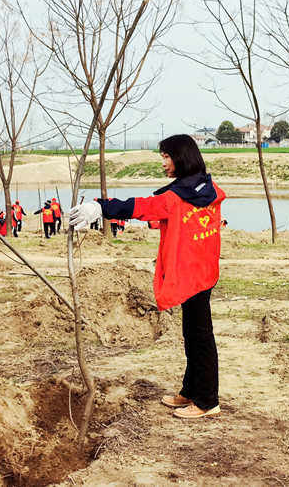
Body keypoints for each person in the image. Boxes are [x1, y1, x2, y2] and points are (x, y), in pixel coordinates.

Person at [67, 135, 226, 419]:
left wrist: (101, 207)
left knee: (201, 337)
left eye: (166, 157)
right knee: (193, 334)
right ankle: (191, 390)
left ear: (182, 157)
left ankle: (207, 401)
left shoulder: (176, 197)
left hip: (191, 274)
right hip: (203, 270)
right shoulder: (208, 188)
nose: (163, 163)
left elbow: (140, 206)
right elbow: (168, 215)